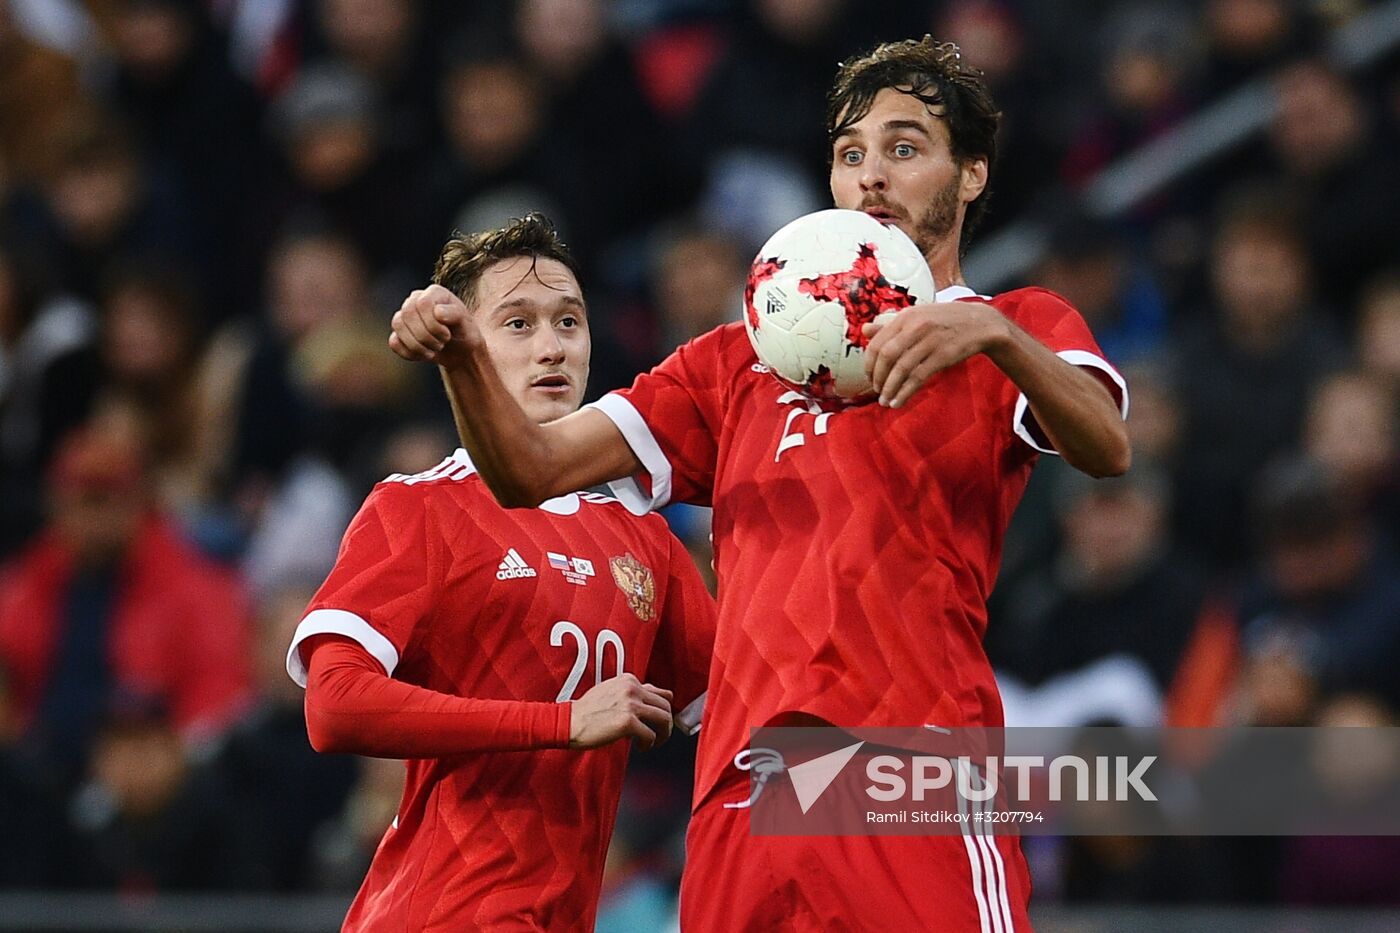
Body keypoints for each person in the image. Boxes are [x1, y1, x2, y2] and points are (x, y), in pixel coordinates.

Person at [391, 38, 1129, 932]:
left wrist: (997, 343)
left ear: (970, 175)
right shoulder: (738, 359)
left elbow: (1105, 445)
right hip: (749, 786)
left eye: (904, 148)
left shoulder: (1014, 324)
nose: (871, 176)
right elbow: (531, 469)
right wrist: (465, 359)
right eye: (850, 154)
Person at [288, 213, 716, 931]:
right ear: (467, 345)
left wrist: (958, 790)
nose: (552, 346)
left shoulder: (645, 540)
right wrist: (559, 721)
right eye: (517, 324)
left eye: (569, 321)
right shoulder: (420, 506)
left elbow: (758, 740)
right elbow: (334, 704)